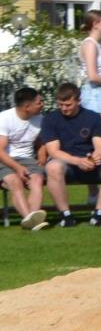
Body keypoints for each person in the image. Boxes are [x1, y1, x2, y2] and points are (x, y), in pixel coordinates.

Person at [37, 82, 101, 227]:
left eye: (68, 105)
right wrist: (78, 161)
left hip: (90, 163)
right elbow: (53, 151)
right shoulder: (51, 119)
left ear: (78, 101)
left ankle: (99, 215)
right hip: (67, 165)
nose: (64, 108)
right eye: (60, 105)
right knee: (53, 166)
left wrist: (93, 158)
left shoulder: (92, 117)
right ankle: (66, 215)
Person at [2, 85, 49, 230]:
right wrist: (17, 168)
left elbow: (40, 142)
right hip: (4, 159)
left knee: (37, 179)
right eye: (39, 102)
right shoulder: (4, 118)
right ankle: (32, 220)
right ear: (27, 106)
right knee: (15, 181)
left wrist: (42, 153)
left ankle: (30, 220)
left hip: (28, 160)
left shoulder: (39, 119)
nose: (42, 104)